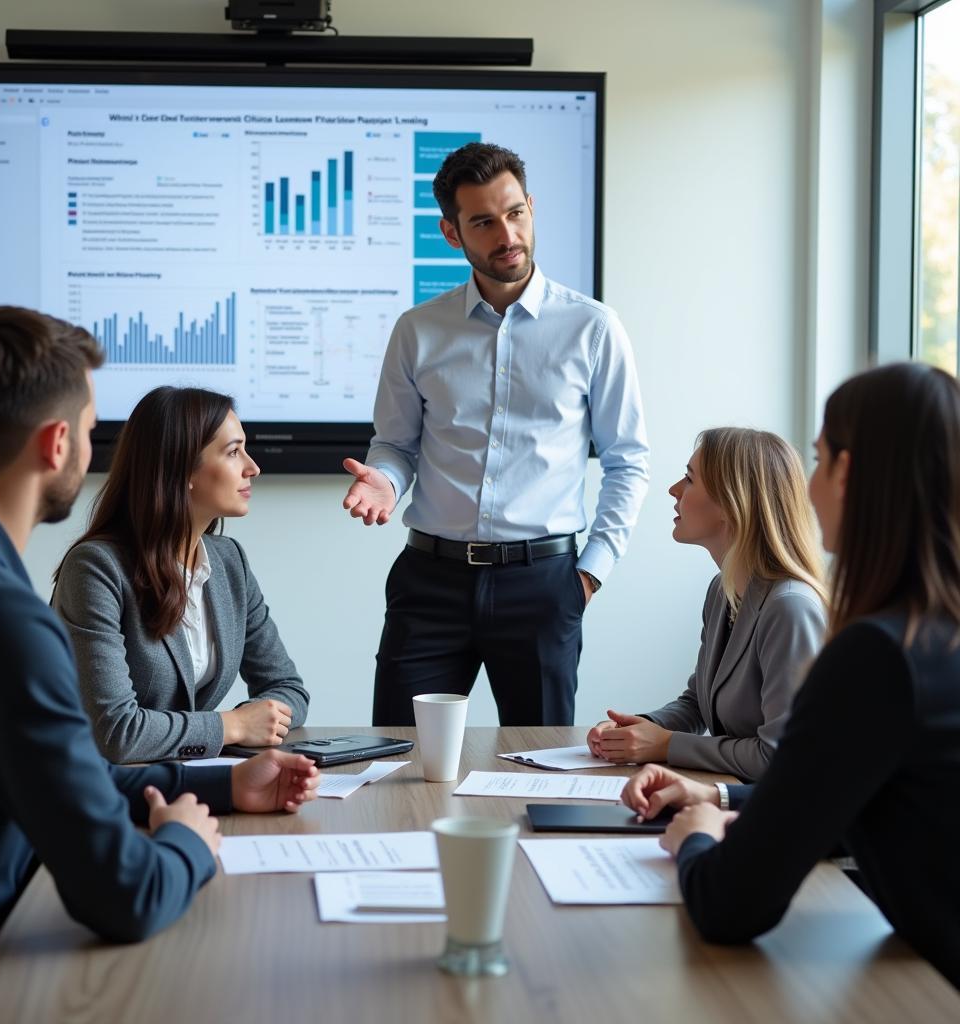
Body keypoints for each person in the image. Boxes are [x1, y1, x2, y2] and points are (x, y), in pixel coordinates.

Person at [0, 308, 319, 1022]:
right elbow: (124, 894)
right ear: (56, 444)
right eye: (88, 431)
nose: (92, 447)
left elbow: (65, 772)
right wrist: (185, 841)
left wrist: (227, 786)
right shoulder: (1, 616)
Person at [621, 363, 960, 990]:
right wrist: (720, 800)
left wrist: (696, 839)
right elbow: (848, 793)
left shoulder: (877, 656)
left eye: (818, 458)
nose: (806, 487)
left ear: (848, 473)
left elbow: (730, 906)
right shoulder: (934, 636)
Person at [341, 141, 650, 727]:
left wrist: (591, 573)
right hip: (430, 581)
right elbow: (396, 444)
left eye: (515, 213)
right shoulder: (417, 331)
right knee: (400, 759)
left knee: (539, 766)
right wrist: (384, 479)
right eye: (483, 221)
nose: (506, 234)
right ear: (453, 234)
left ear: (530, 206)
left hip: (543, 584)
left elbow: (626, 459)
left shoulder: (593, 328)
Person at [53, 386, 309, 764]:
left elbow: (287, 687)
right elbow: (117, 733)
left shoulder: (229, 562)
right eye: (233, 452)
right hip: (94, 791)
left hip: (185, 780)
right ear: (181, 468)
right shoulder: (95, 569)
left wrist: (263, 720)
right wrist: (232, 725)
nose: (252, 468)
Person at [587, 428, 826, 780]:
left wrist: (666, 744)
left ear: (731, 504)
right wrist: (637, 730)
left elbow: (781, 756)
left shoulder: (790, 608)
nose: (673, 490)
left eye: (688, 479)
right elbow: (699, 702)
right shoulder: (722, 591)